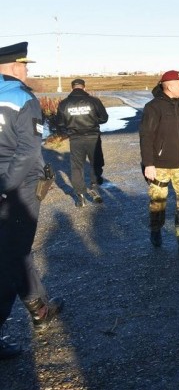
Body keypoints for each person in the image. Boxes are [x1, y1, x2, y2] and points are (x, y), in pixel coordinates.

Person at [0, 42, 64, 359]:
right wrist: (7, 188)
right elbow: (28, 152)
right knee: (11, 256)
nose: (27, 70)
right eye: (25, 65)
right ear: (13, 67)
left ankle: (40, 308)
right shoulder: (22, 98)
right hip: (17, 187)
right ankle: (38, 310)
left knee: (13, 252)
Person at [139, 70, 179, 255]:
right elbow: (146, 136)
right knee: (158, 202)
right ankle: (156, 229)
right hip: (158, 166)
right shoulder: (153, 107)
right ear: (170, 85)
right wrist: (148, 163)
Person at [56, 78, 109, 207]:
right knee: (95, 163)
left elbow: (60, 123)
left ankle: (80, 195)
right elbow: (104, 118)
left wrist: (70, 127)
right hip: (93, 137)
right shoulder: (94, 101)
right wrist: (93, 121)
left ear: (72, 88)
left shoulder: (64, 103)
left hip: (75, 138)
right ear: (84, 87)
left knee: (77, 167)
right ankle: (94, 186)